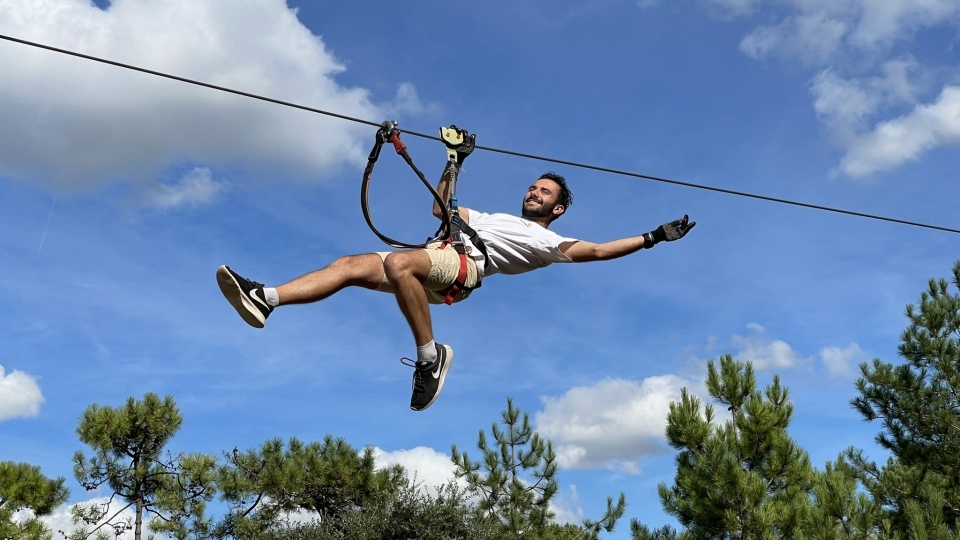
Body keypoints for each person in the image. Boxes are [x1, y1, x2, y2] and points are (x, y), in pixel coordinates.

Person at [217, 171, 695, 411]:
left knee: (401, 261)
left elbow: (598, 252)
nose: (534, 193)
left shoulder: (551, 241)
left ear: (559, 208)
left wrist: (652, 237)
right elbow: (439, 207)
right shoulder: (487, 217)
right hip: (437, 257)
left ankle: (430, 357)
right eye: (532, 188)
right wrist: (454, 163)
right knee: (348, 265)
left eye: (544, 193)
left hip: (463, 269)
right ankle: (267, 299)